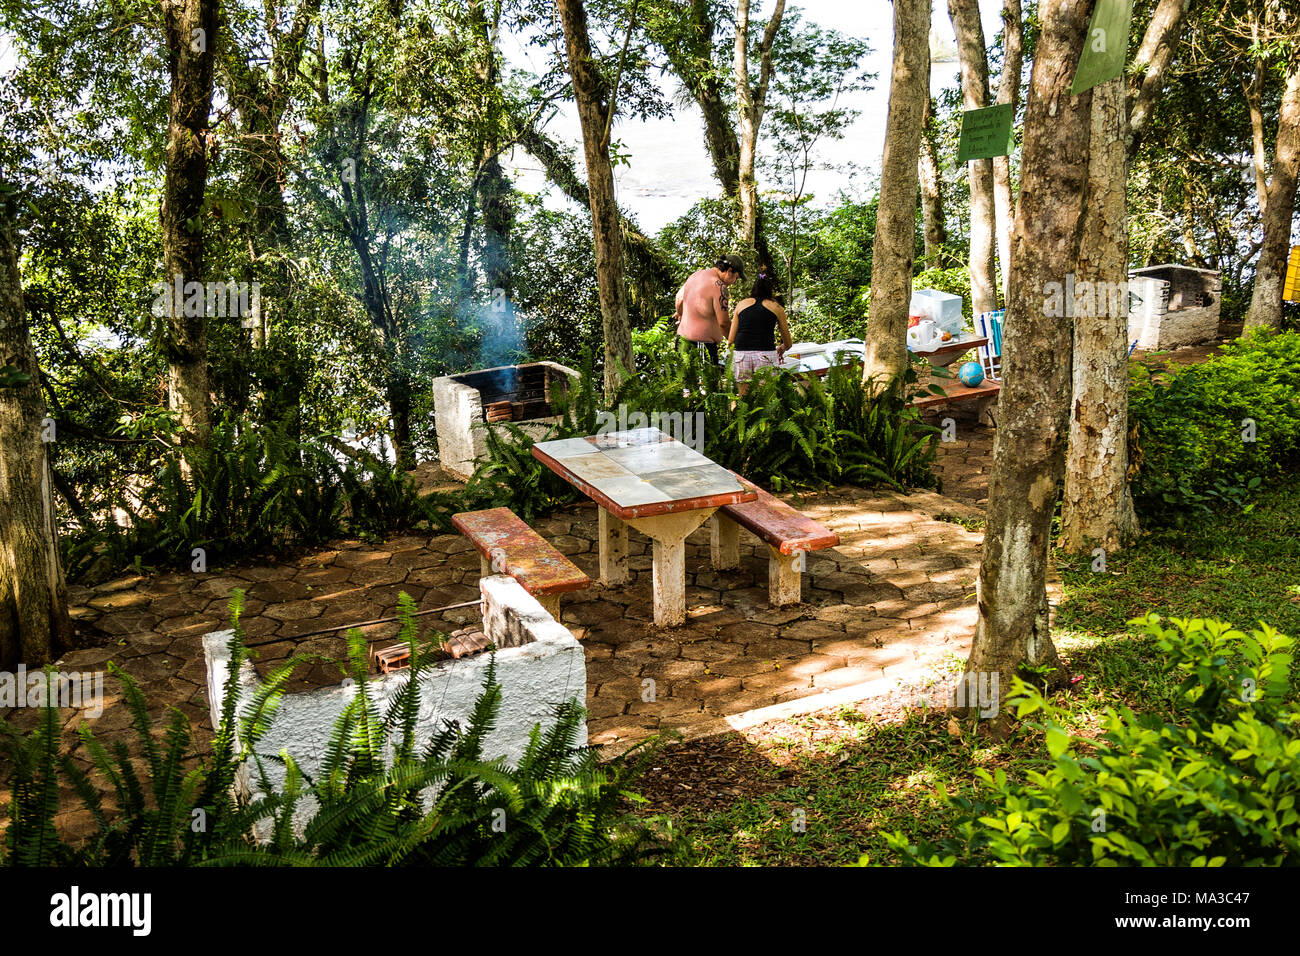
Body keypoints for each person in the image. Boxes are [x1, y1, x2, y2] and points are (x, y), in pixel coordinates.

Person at [675, 254, 745, 365]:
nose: (734, 282)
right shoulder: (719, 287)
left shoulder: (696, 275)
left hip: (681, 341)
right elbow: (723, 323)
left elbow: (679, 298)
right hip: (701, 346)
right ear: (729, 271)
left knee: (684, 381)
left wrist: (680, 314)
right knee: (706, 382)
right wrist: (736, 343)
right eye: (736, 278)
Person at [728, 272, 793, 390]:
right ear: (770, 290)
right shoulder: (777, 307)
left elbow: (731, 340)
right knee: (766, 400)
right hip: (766, 354)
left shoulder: (741, 305)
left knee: (744, 400)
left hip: (741, 355)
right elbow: (788, 343)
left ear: (754, 288)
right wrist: (781, 349)